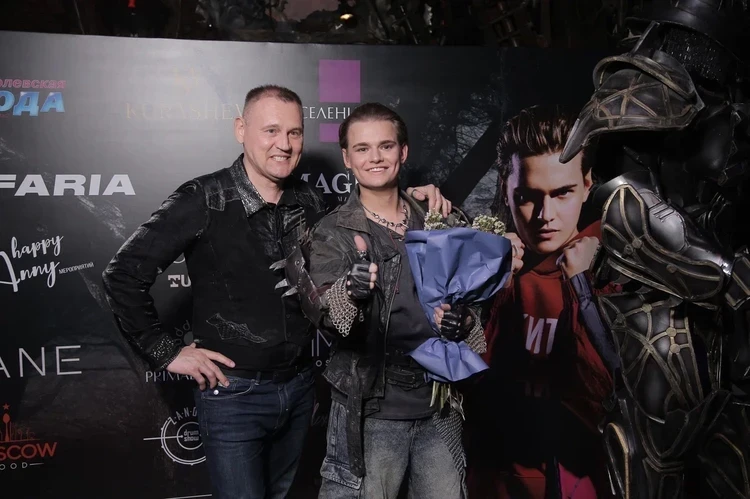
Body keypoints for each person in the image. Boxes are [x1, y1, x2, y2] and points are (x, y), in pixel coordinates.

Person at [101, 85, 451, 499]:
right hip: (233, 394)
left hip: (301, 389)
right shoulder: (203, 198)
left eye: (294, 133)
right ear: (240, 130)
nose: (283, 144)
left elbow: (373, 208)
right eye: (270, 131)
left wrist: (419, 199)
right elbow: (122, 275)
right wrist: (167, 352)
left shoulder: (310, 200)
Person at [307, 102, 481, 499]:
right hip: (371, 411)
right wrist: (350, 292)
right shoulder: (333, 232)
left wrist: (466, 320)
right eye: (362, 148)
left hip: (439, 407)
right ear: (347, 158)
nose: (375, 157)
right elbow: (327, 314)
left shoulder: (440, 220)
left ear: (403, 152)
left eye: (385, 146)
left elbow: (474, 296)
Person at [466, 105, 617, 499]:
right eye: (527, 196)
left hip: (586, 478)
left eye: (562, 193)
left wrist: (582, 286)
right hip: (500, 478)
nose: (545, 216)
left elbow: (616, 392)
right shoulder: (490, 263)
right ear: (506, 190)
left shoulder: (616, 269)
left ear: (587, 184)